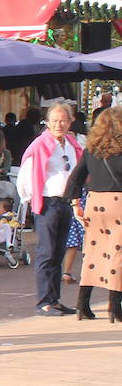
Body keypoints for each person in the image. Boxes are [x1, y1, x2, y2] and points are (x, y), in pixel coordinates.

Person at [18, 100, 85, 316]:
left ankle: (54, 300)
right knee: (46, 252)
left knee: (58, 253)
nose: (59, 124)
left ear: (70, 122)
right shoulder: (40, 144)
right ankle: (44, 302)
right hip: (48, 202)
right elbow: (26, 174)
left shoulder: (72, 144)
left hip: (66, 202)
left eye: (63, 120)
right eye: (54, 120)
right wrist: (30, 200)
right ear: (47, 122)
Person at [66, 105, 122, 321]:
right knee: (118, 254)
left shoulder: (91, 150)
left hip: (95, 203)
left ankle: (82, 305)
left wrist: (75, 205)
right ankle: (114, 307)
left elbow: (75, 178)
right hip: (118, 204)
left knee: (92, 254)